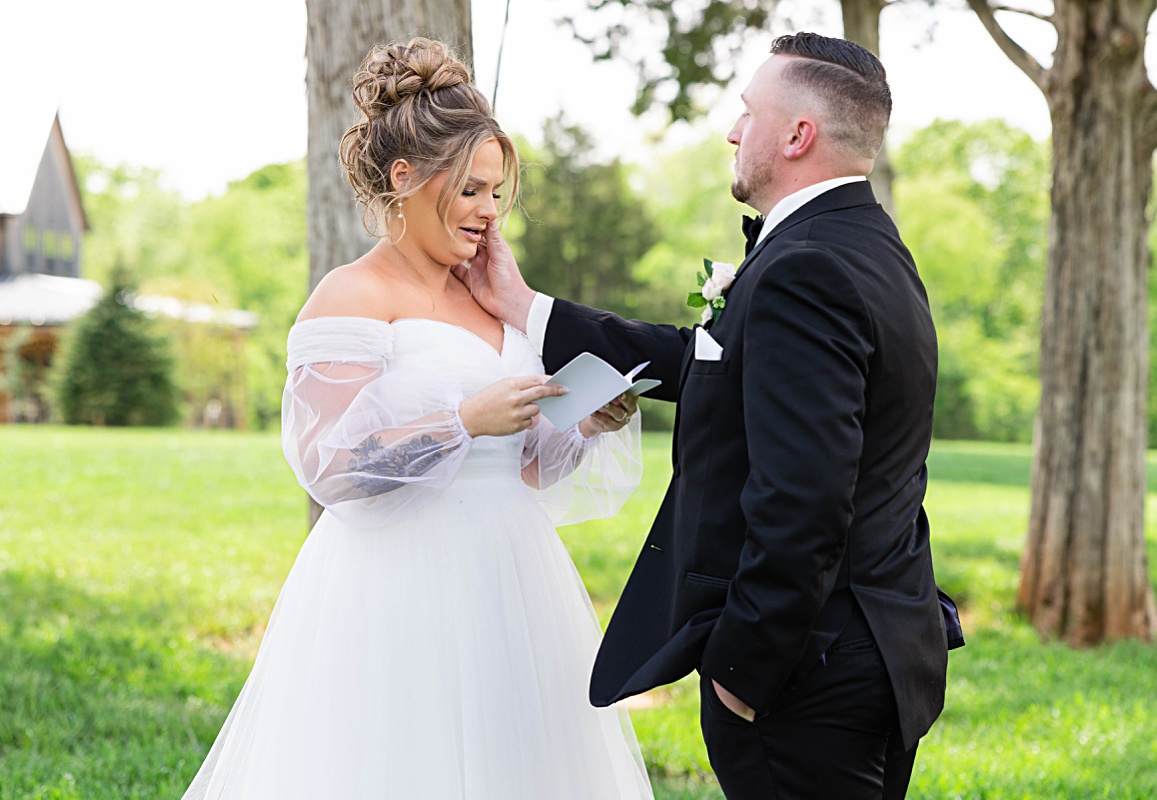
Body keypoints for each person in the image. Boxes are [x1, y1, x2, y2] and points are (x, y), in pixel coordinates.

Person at [459, 31, 948, 800]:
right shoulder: (868, 247)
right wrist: (529, 310)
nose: (731, 130)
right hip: (875, 647)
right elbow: (706, 360)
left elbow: (805, 503)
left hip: (802, 675)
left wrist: (741, 675)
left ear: (797, 135)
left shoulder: (805, 268)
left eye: (747, 113)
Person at [180, 37, 653, 799]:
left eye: (496, 192)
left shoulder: (490, 296)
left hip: (513, 572)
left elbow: (527, 464)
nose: (488, 213)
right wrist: (460, 420)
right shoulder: (350, 296)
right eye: (469, 190)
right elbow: (331, 466)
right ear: (404, 178)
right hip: (398, 578)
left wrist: (579, 421)